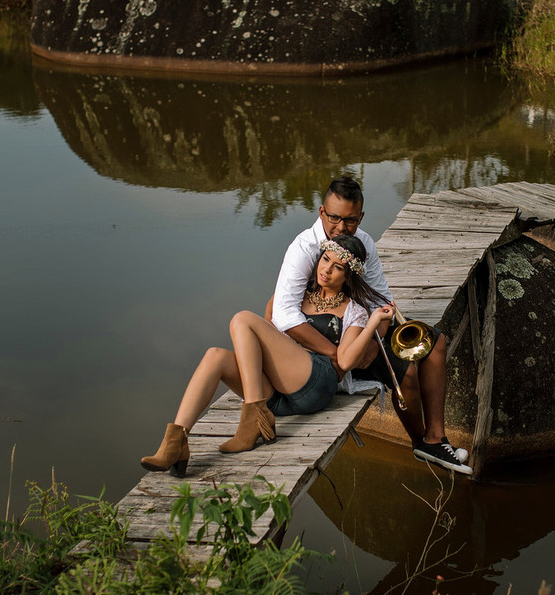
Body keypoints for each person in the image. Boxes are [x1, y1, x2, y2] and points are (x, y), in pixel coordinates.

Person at [141, 234, 393, 477]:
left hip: (316, 383)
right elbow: (268, 327)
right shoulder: (295, 294)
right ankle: (176, 443)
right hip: (278, 394)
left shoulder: (354, 311)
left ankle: (252, 417)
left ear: (348, 277)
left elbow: (347, 361)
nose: (326, 269)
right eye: (325, 259)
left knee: (242, 319)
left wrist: (373, 323)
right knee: (214, 356)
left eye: (337, 267)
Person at [269, 176, 471, 474]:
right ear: (322, 211)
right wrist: (338, 354)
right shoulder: (303, 248)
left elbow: (380, 299)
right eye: (334, 217)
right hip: (320, 340)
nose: (340, 226)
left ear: (360, 217)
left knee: (435, 343)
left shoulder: (363, 241)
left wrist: (375, 337)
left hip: (358, 326)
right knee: (407, 372)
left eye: (349, 220)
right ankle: (421, 442)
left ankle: (435, 437)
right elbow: (283, 314)